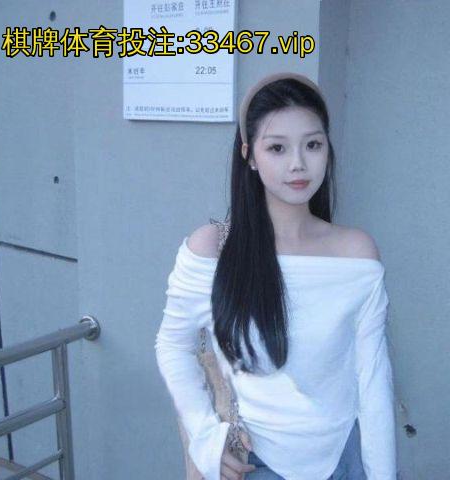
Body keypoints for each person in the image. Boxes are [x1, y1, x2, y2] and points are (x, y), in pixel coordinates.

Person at [155, 72, 397, 480]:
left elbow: (373, 381)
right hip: (257, 462)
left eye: (313, 145)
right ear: (249, 155)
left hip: (346, 456)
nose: (298, 163)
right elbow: (172, 345)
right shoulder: (212, 249)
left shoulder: (356, 253)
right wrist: (205, 435)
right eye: (277, 148)